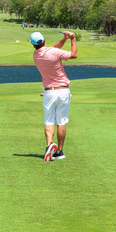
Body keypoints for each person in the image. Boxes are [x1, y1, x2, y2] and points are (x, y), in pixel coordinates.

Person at [30, 30, 77, 161]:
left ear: (33, 45)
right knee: (61, 121)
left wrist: (64, 39)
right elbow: (73, 55)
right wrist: (72, 39)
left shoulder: (36, 55)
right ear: (44, 41)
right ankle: (60, 152)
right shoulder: (53, 52)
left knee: (48, 120)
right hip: (63, 91)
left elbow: (53, 48)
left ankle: (49, 146)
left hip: (49, 92)